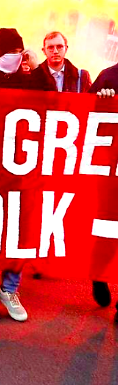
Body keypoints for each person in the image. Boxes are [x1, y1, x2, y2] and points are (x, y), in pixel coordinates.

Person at [0, 28, 54, 322]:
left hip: (21, 173)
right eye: (11, 52)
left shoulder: (27, 81)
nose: (16, 57)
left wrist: (37, 66)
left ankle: (10, 289)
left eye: (19, 52)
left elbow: (52, 100)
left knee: (20, 232)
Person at [87, 64, 118, 310]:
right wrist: (101, 100)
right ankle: (98, 275)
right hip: (111, 168)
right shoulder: (108, 76)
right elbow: (84, 114)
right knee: (107, 229)